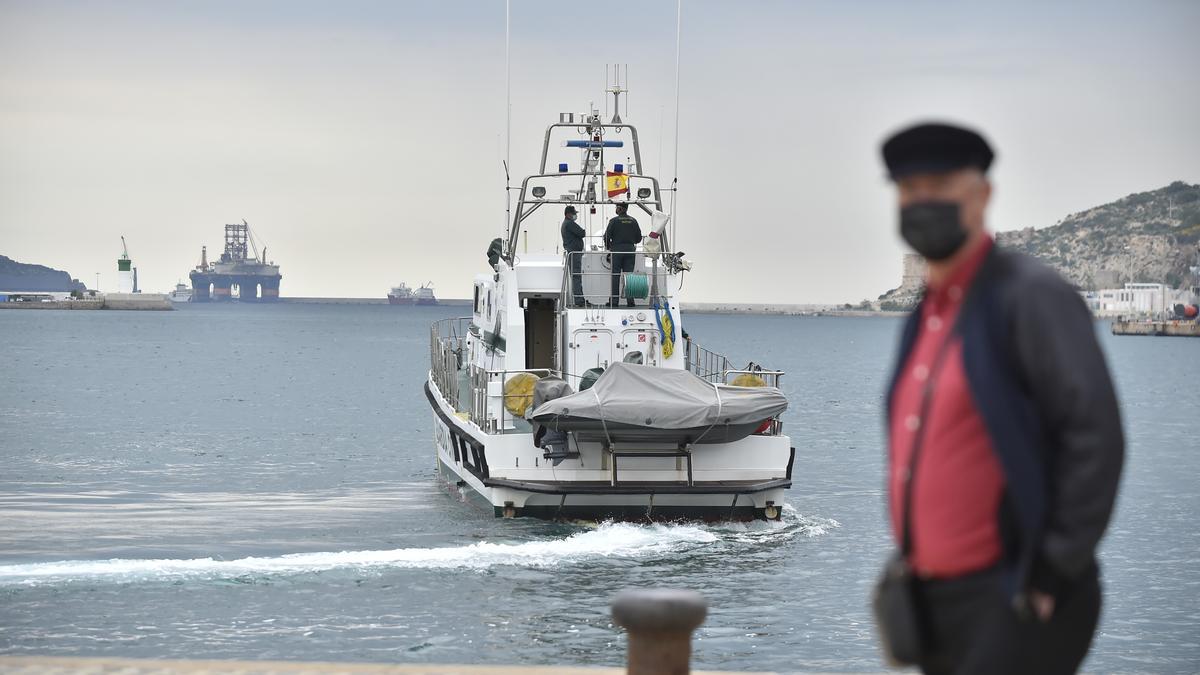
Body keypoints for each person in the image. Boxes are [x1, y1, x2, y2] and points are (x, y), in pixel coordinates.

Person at [879, 122, 1124, 675]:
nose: (922, 202)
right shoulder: (928, 312)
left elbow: (1096, 437)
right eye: (909, 189)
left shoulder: (1031, 297)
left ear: (982, 194)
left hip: (1013, 598)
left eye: (939, 185)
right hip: (937, 602)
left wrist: (1053, 572)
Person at [603, 202, 642, 307]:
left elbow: (606, 236)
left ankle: (614, 302)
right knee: (629, 277)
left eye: (617, 208)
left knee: (615, 276)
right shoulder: (634, 221)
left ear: (620, 209)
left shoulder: (614, 221)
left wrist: (608, 247)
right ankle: (630, 302)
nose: (616, 209)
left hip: (617, 251)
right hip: (630, 251)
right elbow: (639, 238)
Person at [561, 205, 586, 307]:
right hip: (574, 253)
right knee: (576, 276)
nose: (575, 215)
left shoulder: (566, 223)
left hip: (572, 252)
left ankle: (580, 298)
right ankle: (579, 300)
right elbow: (582, 233)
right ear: (568, 214)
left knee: (576, 276)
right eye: (573, 213)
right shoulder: (570, 224)